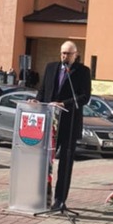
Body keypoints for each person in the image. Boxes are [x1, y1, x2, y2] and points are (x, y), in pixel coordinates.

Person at [38, 40, 91, 214]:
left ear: (75, 54)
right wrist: (36, 102)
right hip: (50, 124)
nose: (64, 57)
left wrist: (63, 103)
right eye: (62, 53)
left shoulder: (82, 71)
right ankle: (42, 196)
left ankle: (60, 200)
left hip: (69, 123)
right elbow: (43, 90)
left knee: (65, 164)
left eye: (68, 54)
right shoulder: (51, 67)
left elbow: (84, 97)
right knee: (45, 162)